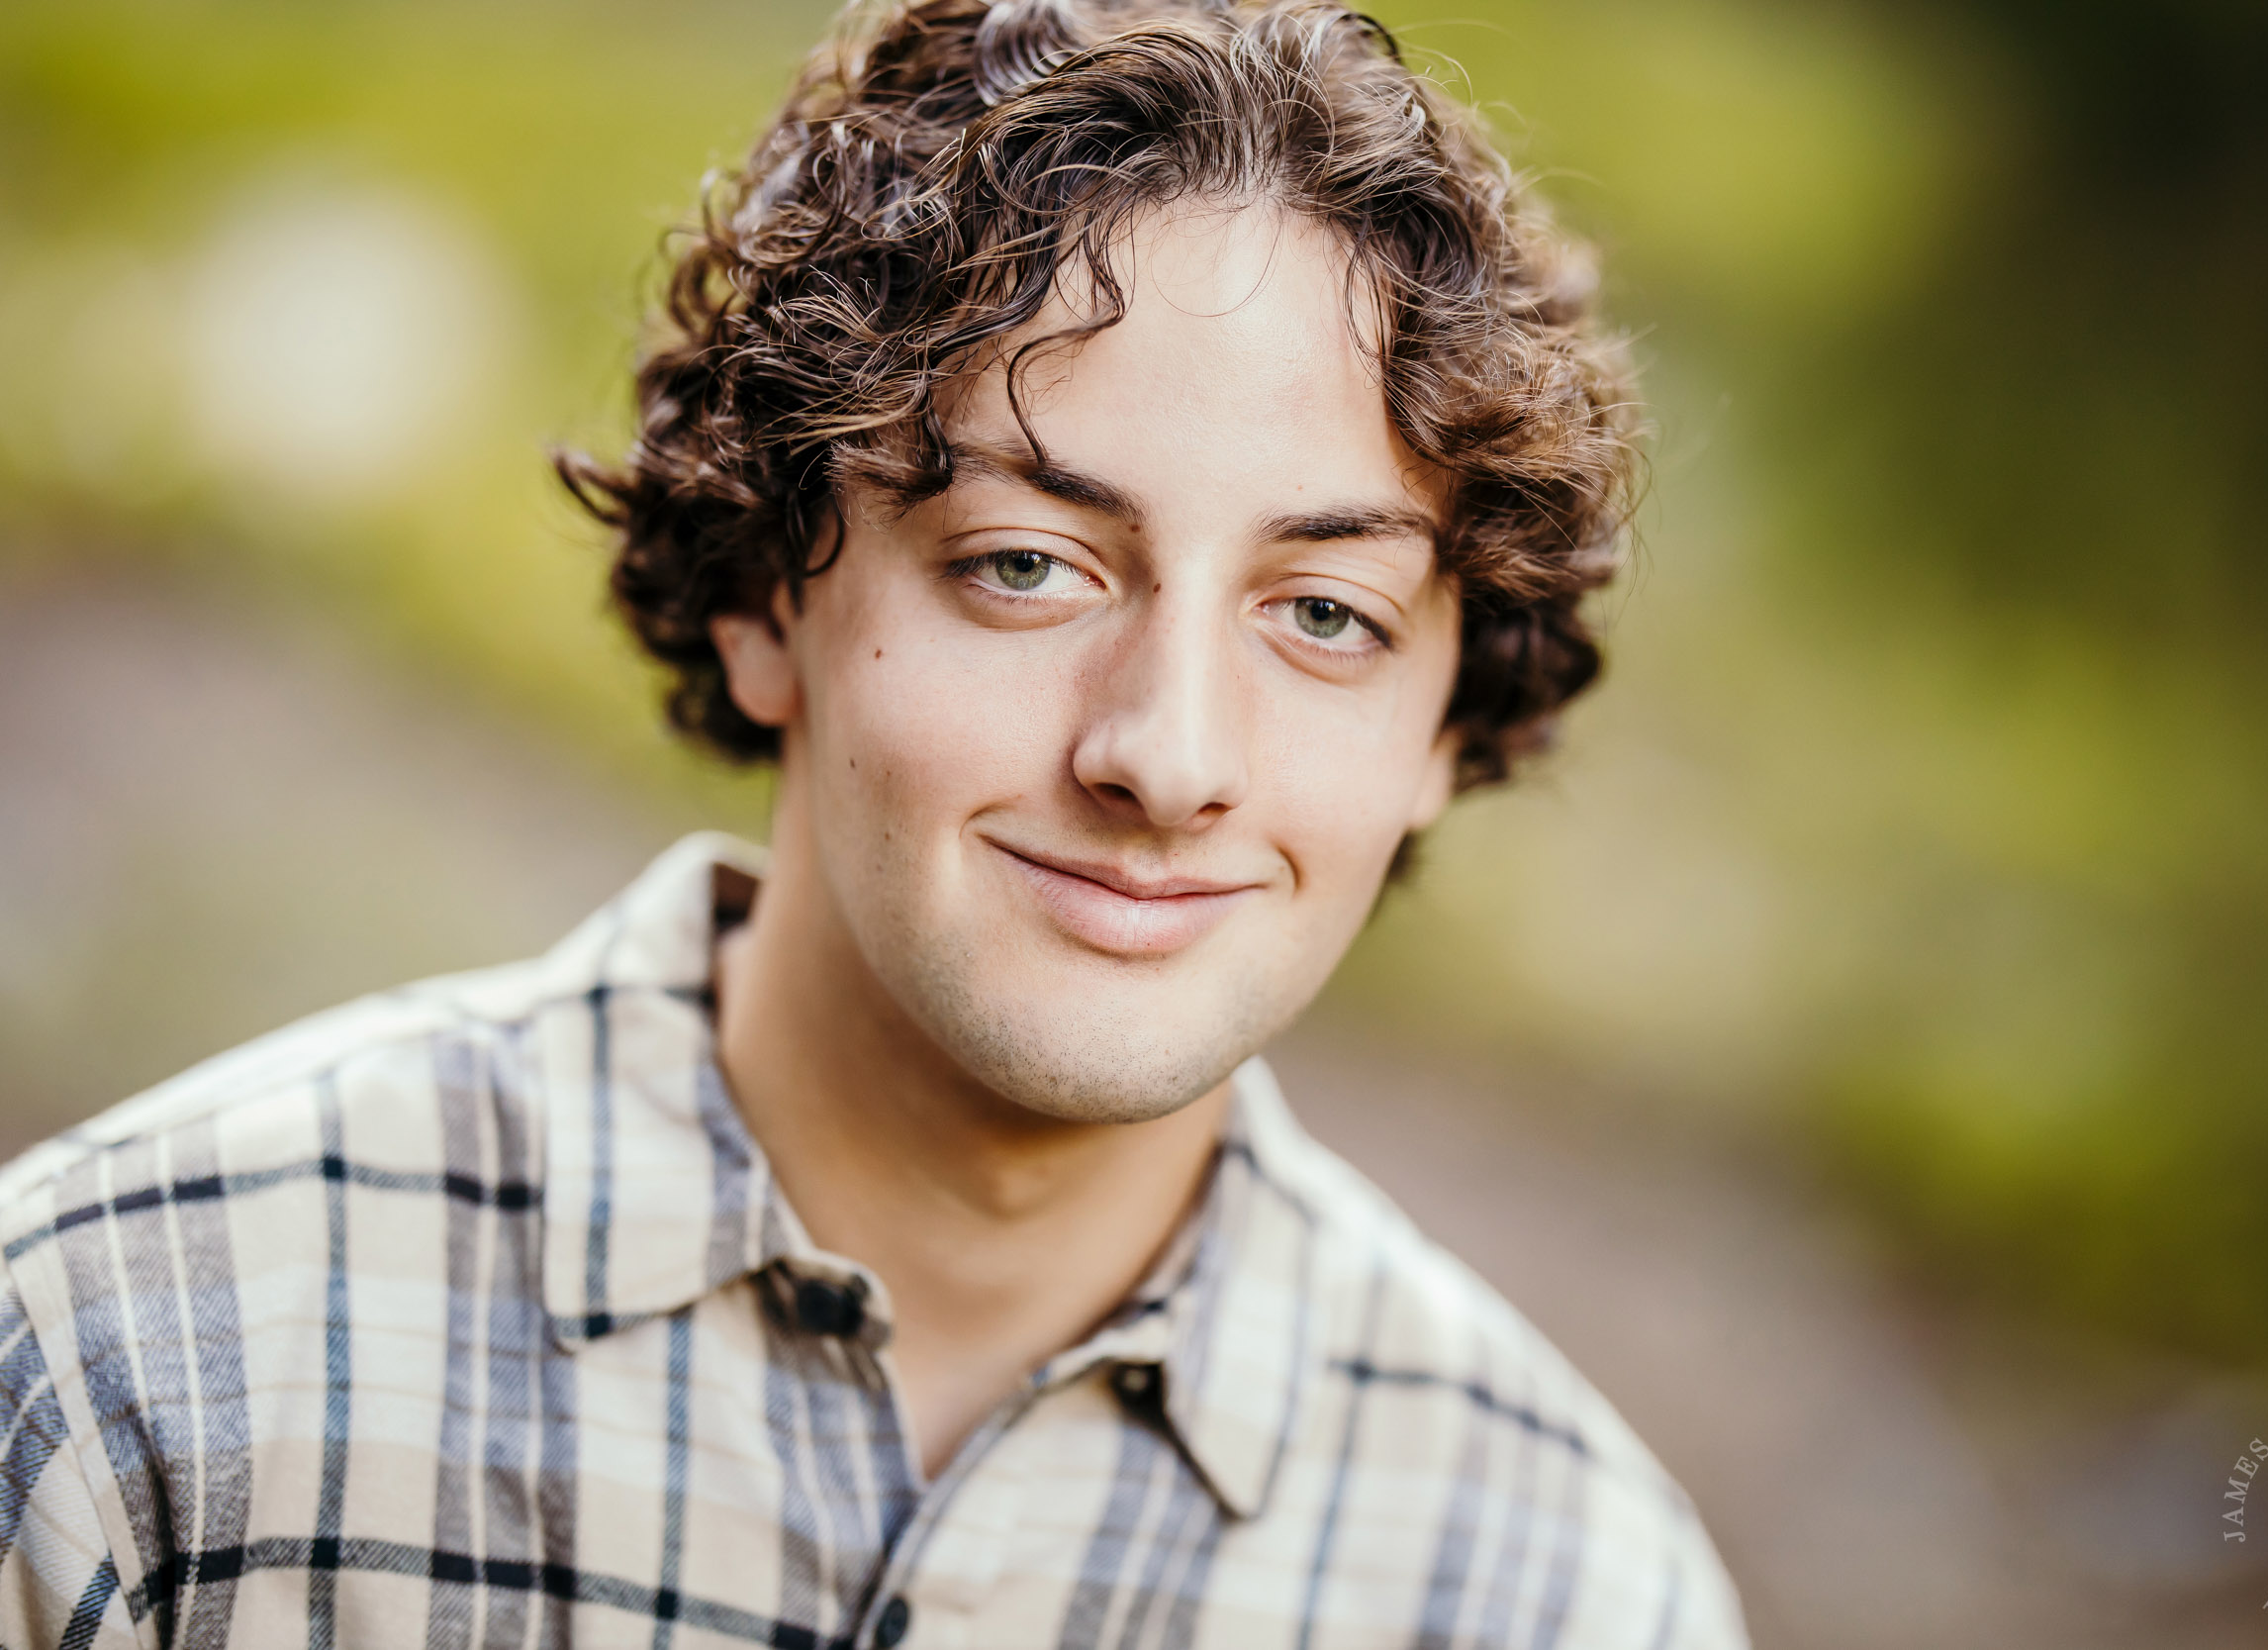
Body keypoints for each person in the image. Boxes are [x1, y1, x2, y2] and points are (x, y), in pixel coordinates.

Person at [0, 1, 1747, 1644]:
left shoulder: (1571, 1588)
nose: (1171, 755)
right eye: (1026, 566)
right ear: (769, 592)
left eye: (1323, 615)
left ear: (1445, 723)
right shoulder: (113, 1375)